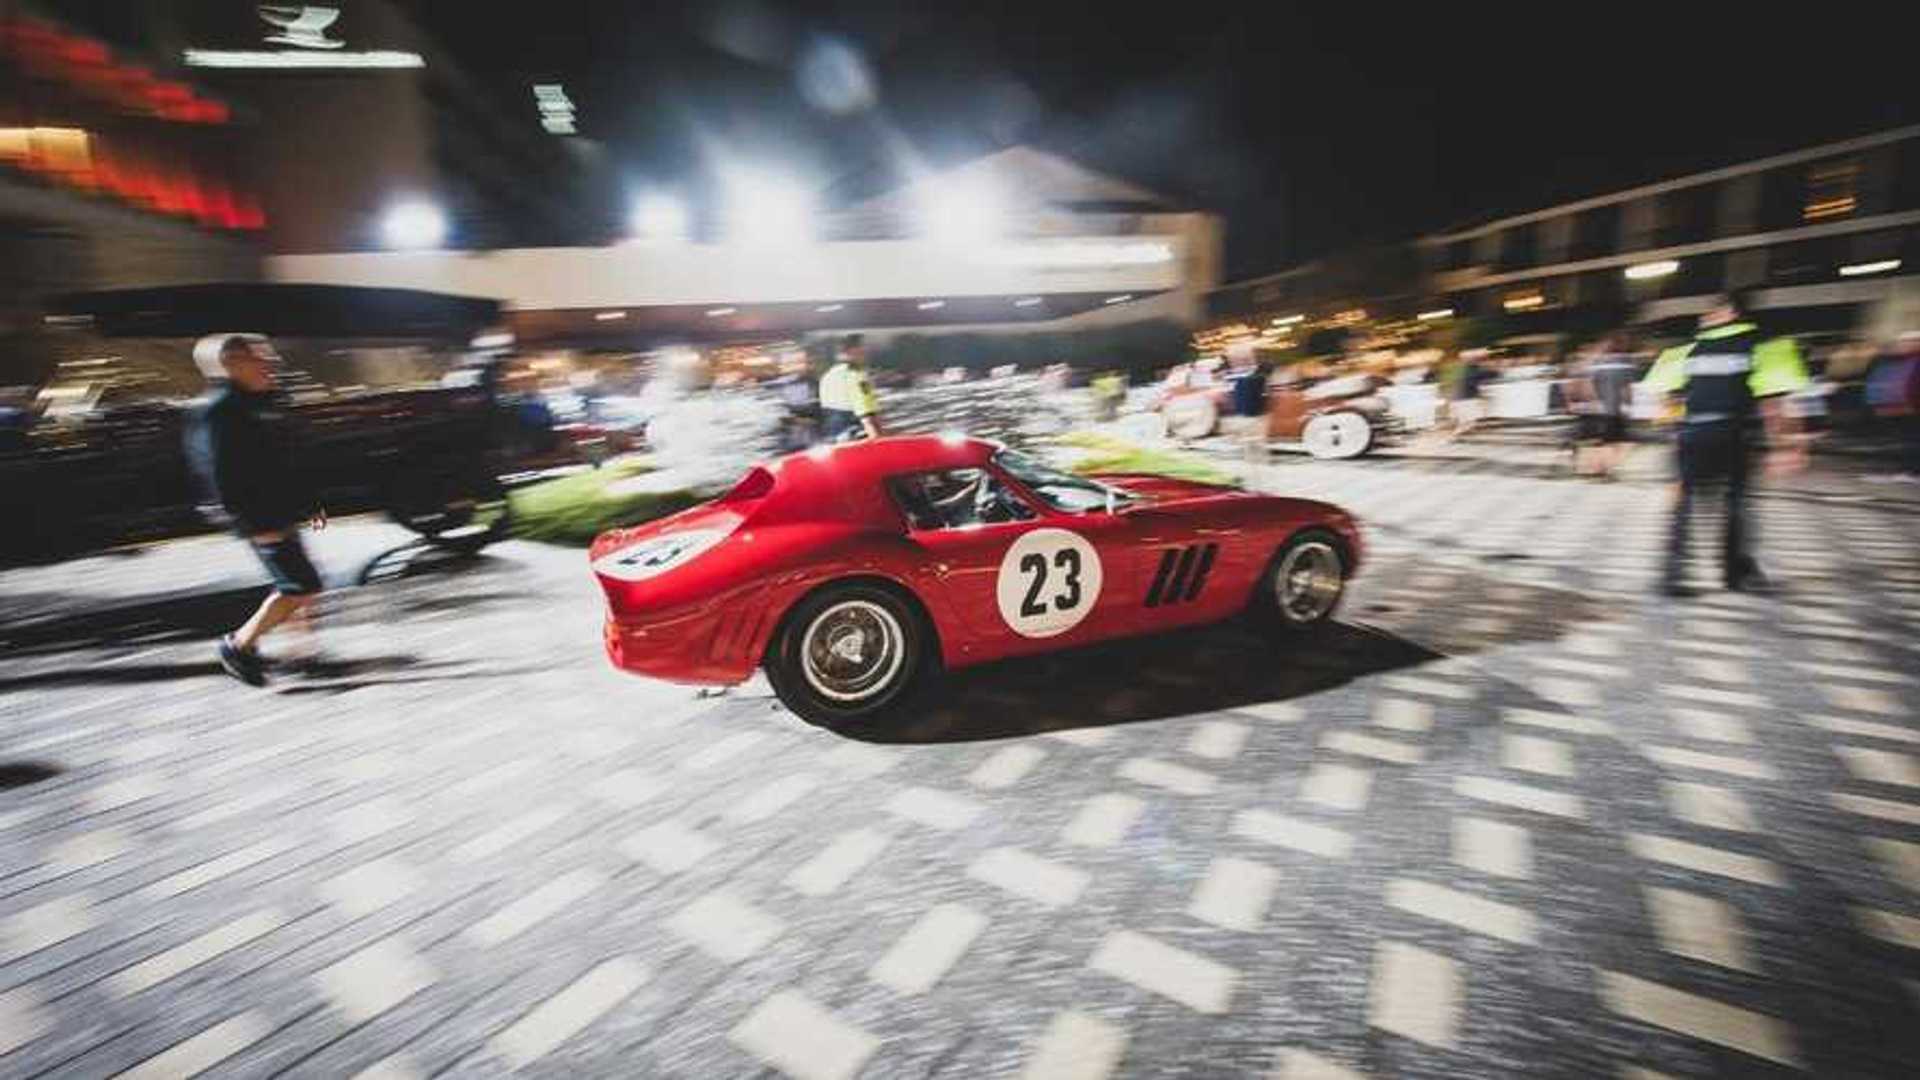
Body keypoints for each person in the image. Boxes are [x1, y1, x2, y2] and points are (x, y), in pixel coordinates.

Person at [1639, 292, 1810, 597]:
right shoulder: (1763, 348)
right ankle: (1736, 574)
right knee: (1736, 505)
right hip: (1733, 435)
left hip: (1693, 435)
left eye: (1713, 311)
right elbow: (1774, 405)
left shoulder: (1684, 351)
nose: (1705, 316)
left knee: (1684, 505)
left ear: (1732, 312)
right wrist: (1785, 446)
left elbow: (1665, 400)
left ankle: (1672, 574)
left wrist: (1674, 433)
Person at [184, 333, 328, 685]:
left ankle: (302, 653)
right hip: (260, 515)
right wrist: (249, 520)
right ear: (231, 364)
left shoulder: (259, 401)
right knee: (300, 585)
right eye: (257, 358)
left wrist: (310, 504)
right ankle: (238, 645)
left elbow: (285, 458)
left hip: (279, 509)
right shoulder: (219, 410)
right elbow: (218, 471)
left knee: (299, 582)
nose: (268, 364)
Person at [1567, 334, 1637, 479]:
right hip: (1613, 410)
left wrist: (1591, 402)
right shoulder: (1625, 363)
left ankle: (1597, 469)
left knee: (1602, 442)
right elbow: (1627, 388)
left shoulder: (1596, 363)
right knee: (1614, 442)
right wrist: (1629, 406)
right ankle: (1603, 469)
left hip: (1600, 410)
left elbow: (1585, 385)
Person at [818, 334, 882, 441]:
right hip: (854, 433)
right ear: (853, 351)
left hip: (832, 435)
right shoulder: (856, 375)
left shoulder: (827, 376)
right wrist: (877, 440)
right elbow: (866, 412)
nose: (866, 353)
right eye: (863, 349)